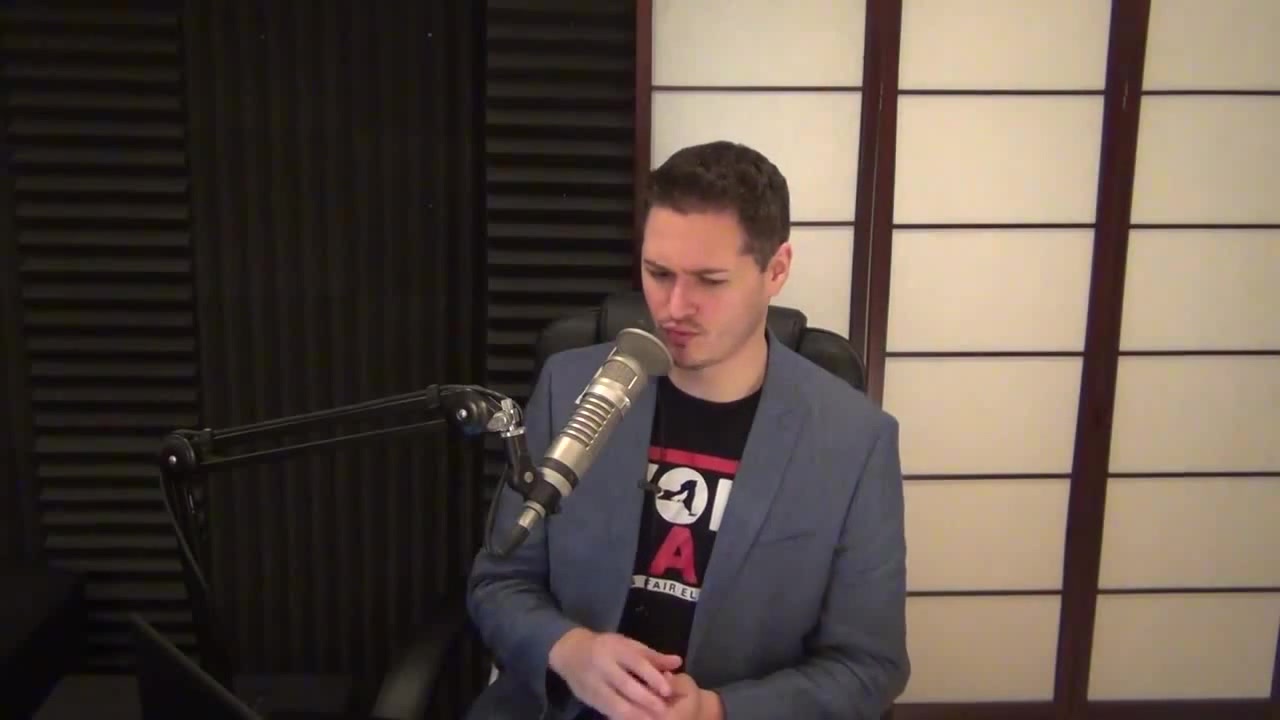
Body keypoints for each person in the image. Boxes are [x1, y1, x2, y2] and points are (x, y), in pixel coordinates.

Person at [465, 140, 909, 719]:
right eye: (658, 273)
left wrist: (718, 711)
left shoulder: (854, 440)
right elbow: (499, 582)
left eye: (710, 280)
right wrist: (568, 650)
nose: (675, 307)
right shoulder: (570, 386)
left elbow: (868, 665)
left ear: (776, 270)